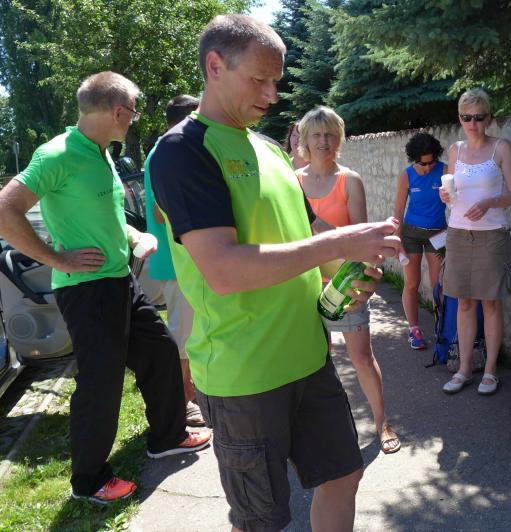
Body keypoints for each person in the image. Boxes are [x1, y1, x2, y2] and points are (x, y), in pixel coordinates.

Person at [149, 16, 401, 531]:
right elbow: (223, 269)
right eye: (259, 79)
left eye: (277, 80)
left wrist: (353, 267)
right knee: (260, 519)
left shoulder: (267, 149)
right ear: (214, 66)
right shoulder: (182, 151)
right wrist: (339, 243)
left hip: (309, 358)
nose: (272, 94)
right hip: (244, 377)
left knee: (344, 475)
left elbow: (307, 231)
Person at [0, 71, 211, 505]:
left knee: (161, 351)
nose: (133, 119)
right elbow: (6, 209)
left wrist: (135, 237)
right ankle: (89, 480)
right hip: (87, 291)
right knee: (102, 382)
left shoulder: (101, 152)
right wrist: (56, 258)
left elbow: (105, 217)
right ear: (118, 112)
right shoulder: (57, 154)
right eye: (133, 112)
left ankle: (168, 435)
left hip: (120, 281)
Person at [296, 105, 401, 455]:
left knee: (362, 358)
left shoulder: (349, 180)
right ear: (305, 139)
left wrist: (319, 226)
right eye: (316, 135)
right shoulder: (294, 182)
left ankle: (382, 423)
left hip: (345, 285)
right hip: (304, 284)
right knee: (316, 361)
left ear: (339, 139)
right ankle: (326, 428)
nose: (323, 141)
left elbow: (360, 241)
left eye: (330, 134)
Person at [439, 88, 511, 396]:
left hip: (491, 234)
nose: (472, 124)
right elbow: (450, 191)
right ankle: (464, 368)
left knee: (490, 303)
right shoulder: (455, 151)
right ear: (459, 118)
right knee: (464, 302)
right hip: (459, 233)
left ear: (488, 118)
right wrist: (444, 195)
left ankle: (490, 371)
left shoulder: (501, 147)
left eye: (479, 117)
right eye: (466, 117)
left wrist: (490, 202)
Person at [143, 94, 204, 426]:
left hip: (181, 263)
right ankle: (182, 402)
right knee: (183, 335)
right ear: (185, 119)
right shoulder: (165, 153)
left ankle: (190, 393)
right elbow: (159, 212)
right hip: (176, 263)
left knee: (189, 333)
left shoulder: (166, 150)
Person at [392, 132, 447, 350]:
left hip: (438, 234)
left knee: (438, 286)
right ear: (415, 159)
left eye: (431, 162)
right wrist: (397, 239)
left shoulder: (445, 170)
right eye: (422, 164)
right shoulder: (407, 175)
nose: (427, 168)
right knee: (412, 284)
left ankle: (441, 328)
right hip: (411, 234)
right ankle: (414, 330)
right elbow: (398, 210)